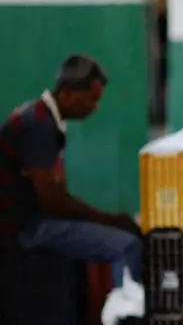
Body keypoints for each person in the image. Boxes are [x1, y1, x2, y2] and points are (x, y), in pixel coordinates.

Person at [0, 55, 142, 289]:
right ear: (66, 93)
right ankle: (127, 322)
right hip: (24, 228)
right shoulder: (37, 124)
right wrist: (110, 220)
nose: (95, 108)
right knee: (127, 246)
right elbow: (52, 201)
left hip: (31, 221)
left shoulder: (43, 119)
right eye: (91, 100)